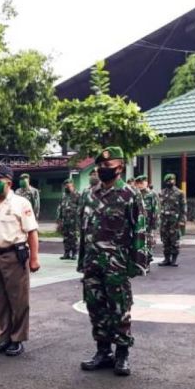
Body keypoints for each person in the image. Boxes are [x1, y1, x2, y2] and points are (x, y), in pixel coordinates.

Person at [77, 147, 148, 376]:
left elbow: (140, 229)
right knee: (95, 307)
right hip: (92, 262)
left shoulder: (130, 194)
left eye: (108, 166)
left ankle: (122, 354)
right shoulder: (88, 194)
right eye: (100, 166)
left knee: (119, 308)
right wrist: (82, 260)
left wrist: (138, 262)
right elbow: (83, 230)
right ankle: (103, 351)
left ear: (120, 167)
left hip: (117, 263)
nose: (103, 169)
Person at [0, 165, 40, 357]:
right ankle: (4, 338)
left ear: (8, 182)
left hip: (15, 256)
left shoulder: (21, 203)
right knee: (0, 300)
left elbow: (32, 232)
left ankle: (17, 339)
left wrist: (34, 258)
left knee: (18, 300)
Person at [157, 173, 186, 267]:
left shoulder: (179, 193)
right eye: (168, 180)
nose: (170, 182)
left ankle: (174, 259)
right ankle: (166, 259)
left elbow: (183, 208)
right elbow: (159, 207)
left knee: (174, 240)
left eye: (172, 180)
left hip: (174, 221)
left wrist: (182, 220)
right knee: (165, 240)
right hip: (164, 221)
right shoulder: (162, 193)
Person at [135, 175, 159, 267]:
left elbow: (155, 210)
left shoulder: (152, 195)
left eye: (142, 183)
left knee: (148, 244)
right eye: (138, 183)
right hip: (138, 224)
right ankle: (140, 263)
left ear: (146, 183)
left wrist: (154, 225)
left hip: (148, 224)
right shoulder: (135, 195)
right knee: (139, 244)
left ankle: (147, 263)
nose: (140, 185)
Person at [56, 177, 79, 260]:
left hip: (74, 220)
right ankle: (67, 253)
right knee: (66, 237)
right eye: (65, 185)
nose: (66, 186)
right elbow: (60, 207)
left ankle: (74, 253)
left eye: (68, 184)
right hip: (65, 220)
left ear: (72, 185)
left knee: (73, 237)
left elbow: (80, 207)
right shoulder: (63, 195)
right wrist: (59, 219)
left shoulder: (77, 195)